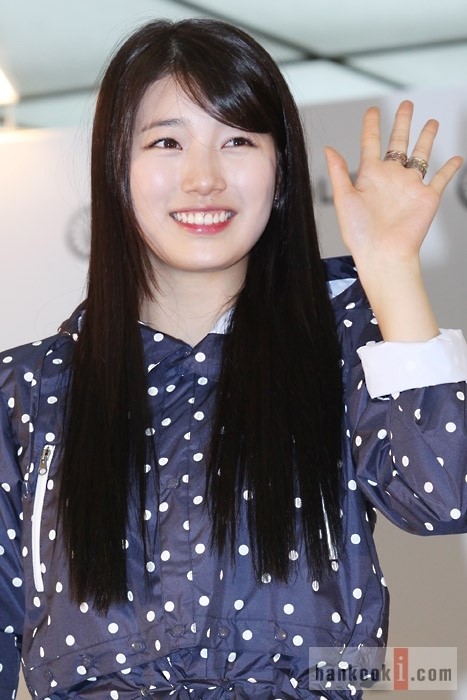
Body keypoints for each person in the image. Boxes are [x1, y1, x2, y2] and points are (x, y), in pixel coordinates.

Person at [0, 18, 466, 700]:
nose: (203, 178)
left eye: (238, 141)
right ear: (116, 167)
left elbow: (444, 495)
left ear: (280, 170)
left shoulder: (343, 349)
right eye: (166, 142)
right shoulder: (29, 390)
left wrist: (392, 268)